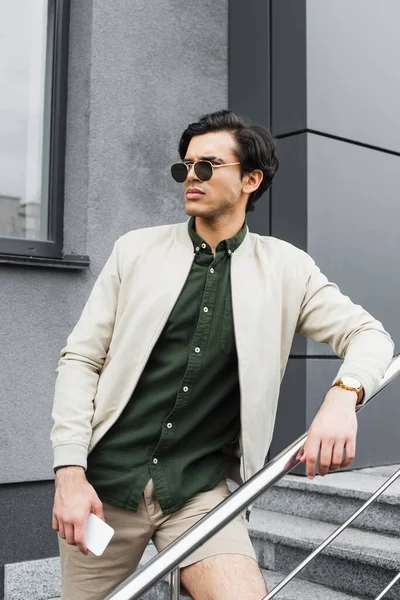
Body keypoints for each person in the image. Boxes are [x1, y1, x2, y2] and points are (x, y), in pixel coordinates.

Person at [51, 109, 394, 600]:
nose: (191, 176)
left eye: (208, 166)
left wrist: (343, 397)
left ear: (251, 179)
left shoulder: (286, 268)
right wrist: (69, 473)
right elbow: (80, 359)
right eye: (185, 166)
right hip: (103, 488)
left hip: (196, 493)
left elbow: (370, 334)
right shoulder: (134, 251)